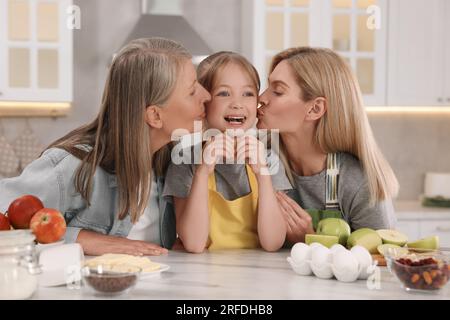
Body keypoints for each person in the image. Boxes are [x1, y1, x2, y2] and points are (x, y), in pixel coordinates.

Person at [0, 38, 211, 256]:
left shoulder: (172, 161)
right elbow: (6, 224)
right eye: (192, 91)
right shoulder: (73, 168)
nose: (207, 96)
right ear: (155, 115)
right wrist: (82, 239)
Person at [257, 47, 398, 245]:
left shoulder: (358, 183)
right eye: (267, 86)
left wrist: (311, 240)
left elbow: (383, 261)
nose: (261, 98)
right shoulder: (260, 159)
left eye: (278, 91)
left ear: (315, 108)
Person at [163, 52, 290, 253]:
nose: (237, 103)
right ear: (204, 102)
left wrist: (262, 175)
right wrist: (203, 171)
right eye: (224, 93)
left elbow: (273, 242)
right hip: (202, 276)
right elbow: (194, 243)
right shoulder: (185, 160)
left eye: (248, 93)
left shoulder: (268, 160)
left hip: (259, 276)